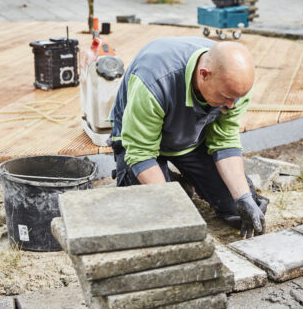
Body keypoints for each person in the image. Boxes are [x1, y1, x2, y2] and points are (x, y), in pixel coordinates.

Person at [110, 37, 267, 239]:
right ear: (204, 75)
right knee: (152, 218)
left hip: (190, 140)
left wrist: (243, 197)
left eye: (236, 98)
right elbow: (140, 153)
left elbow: (224, 141)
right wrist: (172, 205)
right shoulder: (154, 81)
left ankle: (179, 180)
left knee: (238, 207)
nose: (231, 105)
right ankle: (172, 182)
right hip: (140, 145)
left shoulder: (234, 86)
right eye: (226, 98)